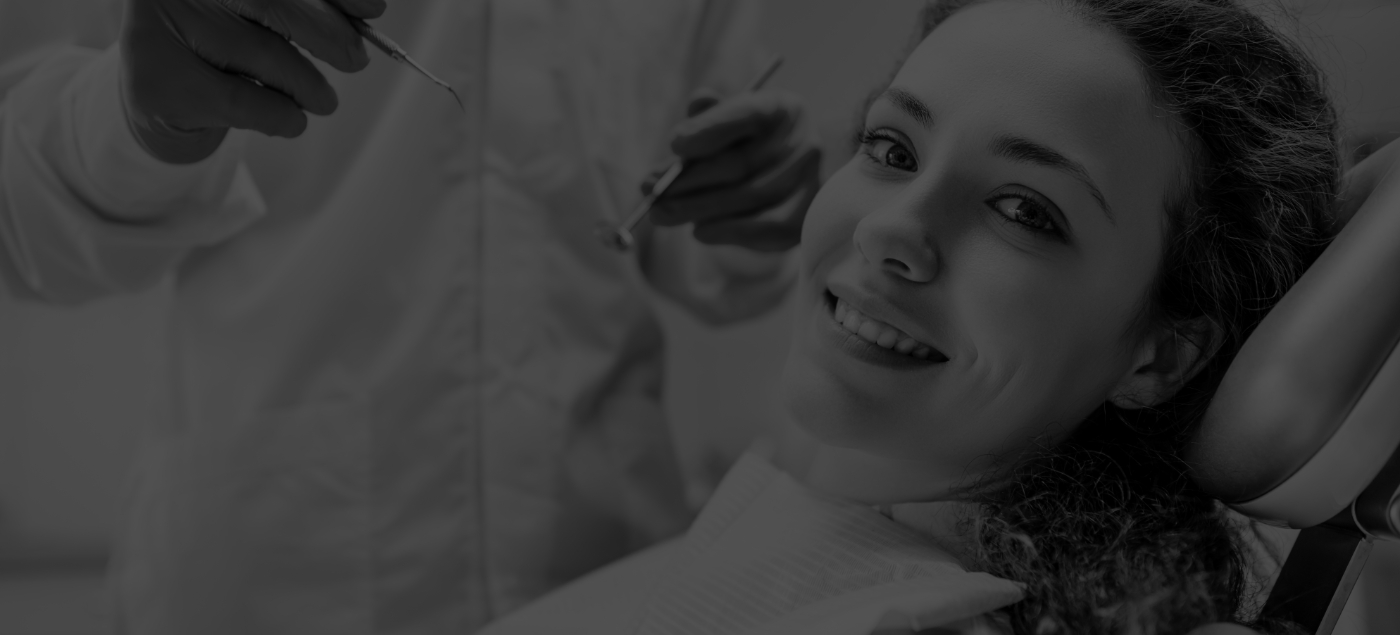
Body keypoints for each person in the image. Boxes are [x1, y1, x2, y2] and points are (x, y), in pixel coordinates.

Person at [478, 0, 1361, 633]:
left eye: (1025, 211)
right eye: (893, 147)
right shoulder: (798, 532)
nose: (892, 226)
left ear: (1161, 356)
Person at [0, 1, 821, 633]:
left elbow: (695, 246)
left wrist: (754, 208)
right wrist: (141, 115)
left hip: (604, 569)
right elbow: (21, 221)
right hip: (278, 577)